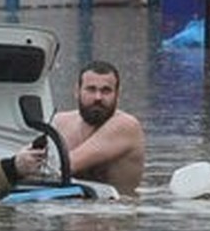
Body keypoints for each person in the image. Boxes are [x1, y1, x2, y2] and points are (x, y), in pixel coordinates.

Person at [50, 61, 146, 196]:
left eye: (106, 91)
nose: (98, 97)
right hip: (71, 210)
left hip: (113, 212)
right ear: (77, 91)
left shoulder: (126, 126)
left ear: (117, 95)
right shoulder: (59, 122)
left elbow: (63, 167)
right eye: (91, 89)